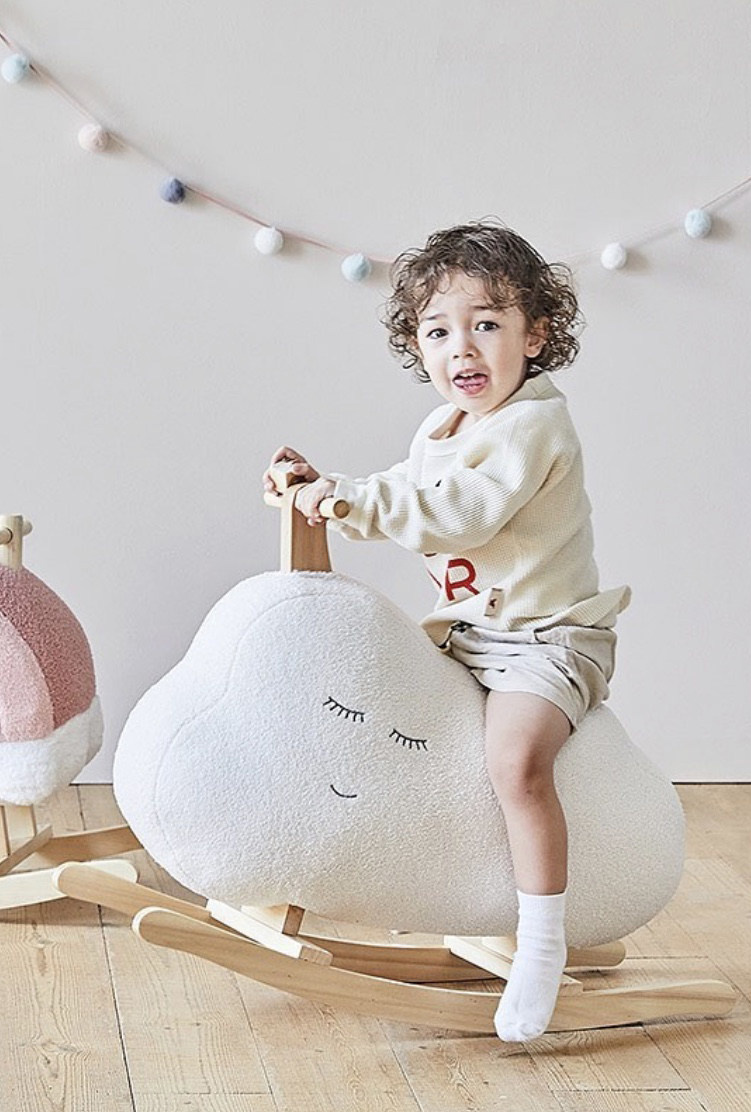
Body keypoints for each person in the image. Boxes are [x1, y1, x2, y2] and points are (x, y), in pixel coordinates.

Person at [263, 220, 630, 1042]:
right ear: (416, 345)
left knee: (514, 763)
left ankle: (541, 944)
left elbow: (456, 515)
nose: (461, 348)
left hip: (546, 639)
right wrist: (327, 486)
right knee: (372, 716)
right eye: (437, 332)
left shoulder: (533, 426)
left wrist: (345, 502)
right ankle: (401, 879)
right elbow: (401, 490)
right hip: (468, 635)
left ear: (534, 336)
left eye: (486, 324)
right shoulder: (442, 428)